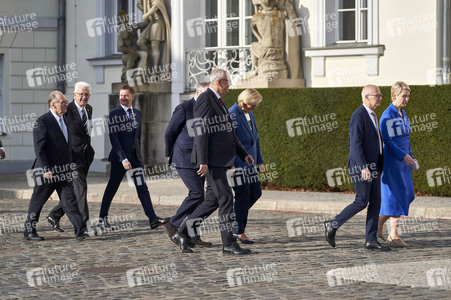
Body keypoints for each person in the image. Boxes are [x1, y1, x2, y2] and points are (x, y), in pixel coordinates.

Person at [171, 69, 255, 255]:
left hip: (221, 160)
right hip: (212, 161)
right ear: (219, 82)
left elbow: (228, 132)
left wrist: (243, 154)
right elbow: (200, 130)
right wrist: (202, 160)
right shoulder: (206, 98)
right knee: (226, 198)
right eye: (228, 81)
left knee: (212, 201)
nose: (230, 85)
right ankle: (228, 243)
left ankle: (182, 232)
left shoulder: (217, 100)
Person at [324, 84, 390, 251]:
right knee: (361, 201)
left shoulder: (374, 116)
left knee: (376, 202)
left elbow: (377, 143)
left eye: (380, 95)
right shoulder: (358, 115)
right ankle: (332, 224)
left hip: (374, 166)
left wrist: (379, 166)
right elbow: (355, 145)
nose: (380, 98)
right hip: (361, 167)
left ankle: (371, 240)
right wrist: (363, 167)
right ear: (367, 97)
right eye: (377, 95)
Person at [99, 85, 169, 230]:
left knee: (142, 188)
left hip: (135, 158)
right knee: (112, 188)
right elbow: (114, 138)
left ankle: (152, 219)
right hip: (120, 159)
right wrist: (123, 158)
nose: (122, 98)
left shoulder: (137, 113)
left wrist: (139, 157)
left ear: (132, 97)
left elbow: (137, 137)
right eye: (121, 95)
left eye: (125, 95)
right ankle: (102, 219)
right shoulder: (115, 113)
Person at [23, 91, 88, 241]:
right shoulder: (42, 122)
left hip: (64, 171)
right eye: (63, 102)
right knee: (37, 202)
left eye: (66, 102)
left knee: (70, 201)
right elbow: (39, 149)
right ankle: (29, 231)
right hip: (47, 172)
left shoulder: (64, 119)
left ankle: (81, 230)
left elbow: (67, 146)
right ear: (53, 104)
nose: (66, 104)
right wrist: (46, 169)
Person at [163, 82, 212, 247]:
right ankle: (173, 223)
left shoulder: (208, 109)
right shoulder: (184, 108)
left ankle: (193, 235)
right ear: (198, 92)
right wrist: (169, 154)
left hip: (201, 159)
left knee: (200, 199)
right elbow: (170, 132)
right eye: (206, 94)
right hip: (184, 157)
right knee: (197, 194)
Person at [47, 82, 95, 234]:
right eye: (80, 94)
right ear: (74, 95)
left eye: (86, 94)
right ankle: (84, 226)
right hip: (72, 157)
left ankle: (54, 214)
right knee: (81, 190)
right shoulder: (67, 110)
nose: (83, 97)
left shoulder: (89, 109)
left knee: (75, 192)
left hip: (86, 156)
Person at [377, 81, 415, 247]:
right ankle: (393, 234)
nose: (406, 99)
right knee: (395, 197)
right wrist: (403, 156)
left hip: (404, 162)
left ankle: (379, 224)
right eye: (403, 96)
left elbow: (406, 138)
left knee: (405, 195)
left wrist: (411, 158)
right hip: (392, 162)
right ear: (394, 96)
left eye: (407, 96)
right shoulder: (388, 115)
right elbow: (387, 141)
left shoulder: (403, 113)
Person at [229, 88, 264, 244]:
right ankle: (238, 231)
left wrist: (259, 160)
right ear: (244, 101)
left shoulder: (250, 114)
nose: (255, 107)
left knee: (256, 193)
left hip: (250, 163)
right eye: (253, 104)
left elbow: (255, 140)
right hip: (238, 164)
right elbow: (229, 143)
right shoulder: (233, 114)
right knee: (242, 197)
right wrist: (231, 165)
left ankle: (233, 218)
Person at [136, 0, 171, 72]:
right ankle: (147, 59)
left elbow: (156, 6)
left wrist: (146, 15)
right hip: (151, 23)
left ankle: (154, 72)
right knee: (140, 42)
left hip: (158, 21)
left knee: (155, 45)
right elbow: (146, 21)